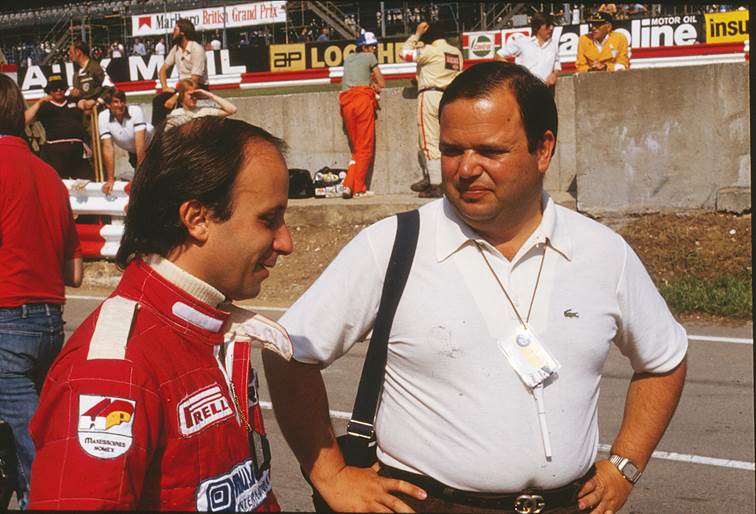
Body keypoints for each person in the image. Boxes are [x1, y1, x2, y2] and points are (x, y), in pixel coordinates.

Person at [263, 61, 688, 513]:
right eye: (451, 150)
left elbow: (665, 359)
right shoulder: (391, 245)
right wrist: (331, 474)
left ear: (543, 150)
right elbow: (288, 351)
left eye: (490, 150)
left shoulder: (603, 252)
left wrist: (624, 466)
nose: (466, 168)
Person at [28, 115, 294, 510]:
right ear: (197, 219)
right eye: (269, 220)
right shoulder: (113, 371)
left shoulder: (211, 325)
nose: (286, 242)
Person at [0, 73, 82, 511]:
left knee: (34, 454)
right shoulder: (48, 174)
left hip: (6, 319)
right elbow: (76, 272)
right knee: (36, 436)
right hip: (50, 320)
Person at [401, 21, 463, 198]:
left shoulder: (430, 51)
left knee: (428, 140)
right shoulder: (455, 52)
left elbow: (404, 53)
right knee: (446, 140)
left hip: (430, 95)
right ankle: (438, 178)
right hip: (450, 97)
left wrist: (417, 34)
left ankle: (436, 184)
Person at [339, 31, 384, 200]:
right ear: (365, 47)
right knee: (365, 147)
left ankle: (348, 185)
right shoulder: (370, 58)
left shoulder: (349, 58)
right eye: (372, 46)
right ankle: (359, 188)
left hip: (345, 102)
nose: (374, 49)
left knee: (357, 148)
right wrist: (373, 84)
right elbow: (382, 82)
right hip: (362, 101)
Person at [24, 74, 94, 181]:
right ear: (49, 91)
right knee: (55, 182)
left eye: (61, 87)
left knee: (88, 181)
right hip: (55, 152)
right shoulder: (44, 106)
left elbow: (86, 105)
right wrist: (39, 102)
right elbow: (25, 119)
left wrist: (91, 97)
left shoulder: (73, 100)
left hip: (77, 150)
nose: (58, 90)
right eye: (54, 88)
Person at [98, 87, 154, 193]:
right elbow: (108, 148)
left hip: (153, 146)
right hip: (134, 151)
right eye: (116, 102)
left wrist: (140, 174)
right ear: (108, 105)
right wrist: (110, 180)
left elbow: (140, 144)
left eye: (122, 101)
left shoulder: (135, 111)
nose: (120, 105)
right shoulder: (102, 117)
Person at [155, 19, 208, 125]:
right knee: (158, 100)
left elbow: (194, 80)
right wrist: (165, 87)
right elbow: (162, 70)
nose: (172, 33)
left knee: (178, 105)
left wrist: (176, 96)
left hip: (197, 86)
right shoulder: (176, 49)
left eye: (175, 30)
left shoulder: (197, 49)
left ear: (183, 32)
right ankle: (158, 133)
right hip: (182, 87)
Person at [495, 12, 561, 88]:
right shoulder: (523, 42)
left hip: (546, 91)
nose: (551, 28)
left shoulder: (554, 44)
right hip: (525, 90)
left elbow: (557, 63)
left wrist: (554, 74)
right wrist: (513, 72)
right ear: (537, 27)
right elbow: (499, 55)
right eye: (548, 25)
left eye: (552, 25)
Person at [164, 78, 237, 130]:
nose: (194, 97)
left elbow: (232, 110)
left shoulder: (205, 111)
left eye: (196, 95)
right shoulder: (175, 114)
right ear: (182, 95)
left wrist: (209, 95)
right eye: (191, 94)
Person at [69, 40, 105, 110]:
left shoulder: (95, 67)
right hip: (83, 113)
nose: (70, 56)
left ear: (79, 52)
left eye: (71, 53)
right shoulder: (76, 74)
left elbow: (110, 88)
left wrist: (97, 102)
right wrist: (74, 94)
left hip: (97, 111)